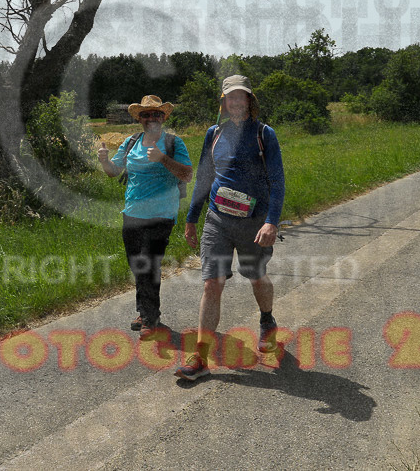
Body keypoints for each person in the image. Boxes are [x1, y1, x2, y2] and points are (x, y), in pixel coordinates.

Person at [175, 75, 285, 381]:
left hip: (254, 222)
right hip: (218, 220)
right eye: (230, 97)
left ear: (250, 101)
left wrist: (271, 222)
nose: (236, 102)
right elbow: (204, 178)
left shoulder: (265, 134)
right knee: (212, 284)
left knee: (256, 278)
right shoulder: (213, 134)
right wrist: (191, 218)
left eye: (242, 96)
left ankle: (267, 320)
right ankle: (201, 357)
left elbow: (277, 181)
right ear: (223, 102)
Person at [98, 95, 193, 337]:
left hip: (162, 214)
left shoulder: (173, 143)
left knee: (149, 264)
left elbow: (187, 175)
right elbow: (114, 172)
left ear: (163, 117)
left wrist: (162, 159)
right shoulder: (131, 142)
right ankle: (144, 311)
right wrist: (104, 161)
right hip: (132, 213)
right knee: (137, 265)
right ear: (140, 119)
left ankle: (151, 319)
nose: (151, 118)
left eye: (156, 114)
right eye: (146, 114)